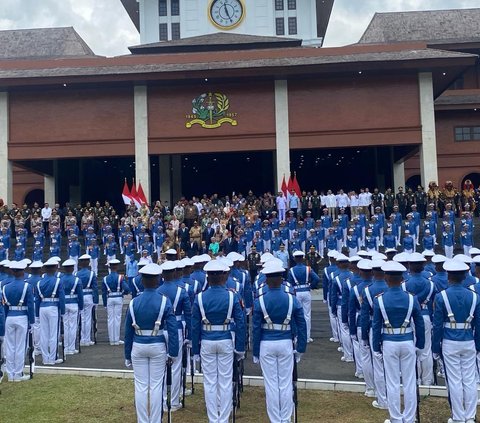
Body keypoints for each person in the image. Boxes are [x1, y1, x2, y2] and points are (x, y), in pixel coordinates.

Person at [191, 259, 246, 423]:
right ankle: (223, 418)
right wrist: (240, 347)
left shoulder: (199, 297)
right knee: (225, 381)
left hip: (207, 341)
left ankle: (213, 419)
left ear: (207, 278)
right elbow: (241, 323)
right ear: (224, 277)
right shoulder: (232, 296)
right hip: (226, 340)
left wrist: (195, 350)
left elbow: (195, 327)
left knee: (210, 382)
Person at [124, 262, 179, 423]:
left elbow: (128, 331)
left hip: (138, 345)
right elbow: (173, 329)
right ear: (158, 280)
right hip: (157, 345)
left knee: (140, 386)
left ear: (142, 281)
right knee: (156, 386)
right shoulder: (164, 301)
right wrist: (173, 352)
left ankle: (143, 420)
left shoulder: (134, 302)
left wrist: (127, 354)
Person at [253, 260, 307, 423]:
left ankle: (276, 420)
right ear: (282, 278)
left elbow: (256, 329)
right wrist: (301, 347)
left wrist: (255, 352)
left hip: (266, 344)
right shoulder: (292, 299)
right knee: (285, 383)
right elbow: (301, 324)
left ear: (267, 280)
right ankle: (286, 418)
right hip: (285, 343)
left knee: (271, 385)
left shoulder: (259, 300)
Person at [372, 260, 425, 423]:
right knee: (409, 381)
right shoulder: (411, 298)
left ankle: (395, 418)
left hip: (389, 342)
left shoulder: (379, 300)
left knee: (392, 382)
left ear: (386, 278)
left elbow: (376, 326)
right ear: (402, 279)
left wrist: (376, 346)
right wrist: (420, 344)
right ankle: (409, 418)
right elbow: (419, 322)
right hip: (408, 341)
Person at [432, 259, 480, 423]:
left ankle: (459, 417)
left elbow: (437, 325)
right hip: (468, 340)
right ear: (465, 276)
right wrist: (478, 344)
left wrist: (435, 346)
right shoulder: (475, 296)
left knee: (454, 380)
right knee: (469, 380)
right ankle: (470, 416)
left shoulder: (441, 296)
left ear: (448, 276)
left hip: (449, 341)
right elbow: (478, 324)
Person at [157, 260, 192, 411]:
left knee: (161, 366)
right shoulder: (181, 290)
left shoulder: (157, 290)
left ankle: (163, 400)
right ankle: (173, 401)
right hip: (176, 328)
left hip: (159, 330)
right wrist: (189, 334)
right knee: (176, 366)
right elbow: (188, 314)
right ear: (174, 273)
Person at [2, 260, 35, 381]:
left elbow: (4, 307)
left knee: (10, 347)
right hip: (22, 317)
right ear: (22, 272)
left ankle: (10, 374)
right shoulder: (27, 286)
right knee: (21, 346)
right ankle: (18, 373)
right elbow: (30, 305)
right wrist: (32, 322)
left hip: (9, 317)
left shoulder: (5, 287)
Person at [35, 257, 66, 365]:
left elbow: (37, 299)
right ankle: (52, 358)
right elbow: (62, 297)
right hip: (53, 308)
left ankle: (45, 358)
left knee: (44, 334)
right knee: (53, 334)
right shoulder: (58, 280)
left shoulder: (39, 282)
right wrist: (63, 311)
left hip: (42, 307)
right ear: (55, 268)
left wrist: (36, 314)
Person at [287, 250, 320, 343]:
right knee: (307, 315)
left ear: (294, 259)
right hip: (306, 291)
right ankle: (307, 337)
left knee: (295, 315)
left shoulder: (292, 270)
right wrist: (311, 286)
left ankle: (297, 337)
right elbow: (316, 278)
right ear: (303, 258)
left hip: (296, 292)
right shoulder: (308, 269)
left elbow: (289, 283)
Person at [102, 259, 130, 345]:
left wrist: (104, 303)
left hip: (109, 298)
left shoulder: (105, 278)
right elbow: (127, 289)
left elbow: (103, 292)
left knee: (110, 319)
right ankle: (116, 340)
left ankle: (112, 340)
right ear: (117, 267)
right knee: (117, 318)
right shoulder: (120, 277)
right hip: (118, 298)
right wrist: (122, 293)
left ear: (109, 267)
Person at [60, 259, 84, 355]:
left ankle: (66, 347)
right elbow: (80, 295)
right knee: (73, 326)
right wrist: (81, 306)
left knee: (65, 326)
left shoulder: (60, 280)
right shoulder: (77, 280)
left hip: (64, 303)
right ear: (73, 268)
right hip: (74, 303)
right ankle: (71, 347)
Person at [76, 254, 98, 347]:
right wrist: (96, 300)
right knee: (88, 318)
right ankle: (87, 339)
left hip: (80, 296)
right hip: (89, 296)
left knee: (82, 318)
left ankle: (82, 339)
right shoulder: (92, 273)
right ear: (89, 262)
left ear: (80, 263)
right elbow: (95, 288)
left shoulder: (77, 274)